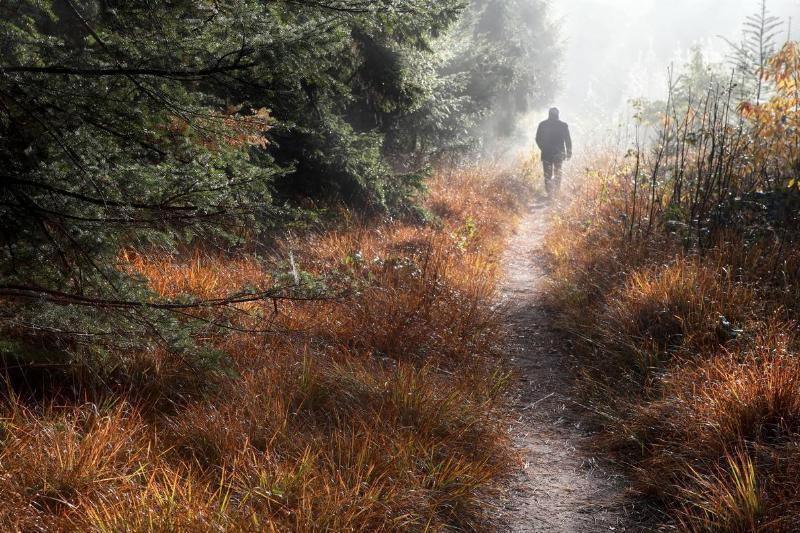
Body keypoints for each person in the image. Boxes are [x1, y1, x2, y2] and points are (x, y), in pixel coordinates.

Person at [535, 107, 572, 195]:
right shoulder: (563, 125)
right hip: (559, 153)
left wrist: (543, 148)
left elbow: (537, 139)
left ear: (549, 114)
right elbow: (568, 140)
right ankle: (556, 192)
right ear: (558, 114)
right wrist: (569, 152)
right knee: (558, 173)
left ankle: (549, 192)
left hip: (546, 153)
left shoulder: (542, 124)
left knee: (547, 173)